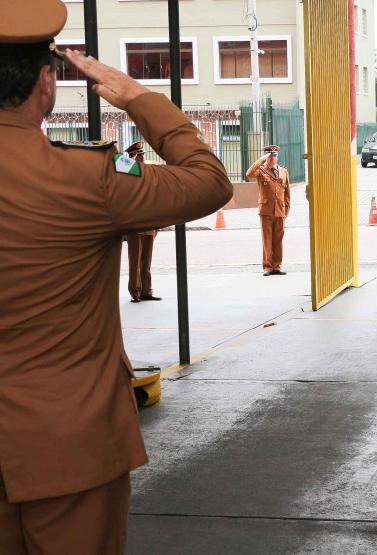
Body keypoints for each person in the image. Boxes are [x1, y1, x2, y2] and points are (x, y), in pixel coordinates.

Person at [0, 3, 233, 551]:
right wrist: (135, 97)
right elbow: (208, 181)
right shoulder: (87, 177)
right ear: (45, 82)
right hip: (68, 442)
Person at [123, 141, 161, 303]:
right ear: (132, 157)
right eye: (139, 156)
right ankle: (135, 292)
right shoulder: (126, 173)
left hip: (148, 222)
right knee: (135, 260)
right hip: (135, 222)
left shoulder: (147, 173)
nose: (142, 158)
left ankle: (146, 291)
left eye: (142, 155)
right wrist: (129, 162)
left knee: (147, 260)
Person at [246, 145, 291, 275]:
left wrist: (286, 211)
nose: (272, 158)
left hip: (280, 210)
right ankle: (267, 267)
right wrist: (261, 160)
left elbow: (287, 193)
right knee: (267, 239)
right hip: (266, 210)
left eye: (274, 155)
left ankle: (277, 266)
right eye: (270, 155)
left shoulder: (283, 171)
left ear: (277, 157)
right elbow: (249, 174)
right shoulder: (260, 170)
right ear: (266, 157)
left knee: (278, 240)